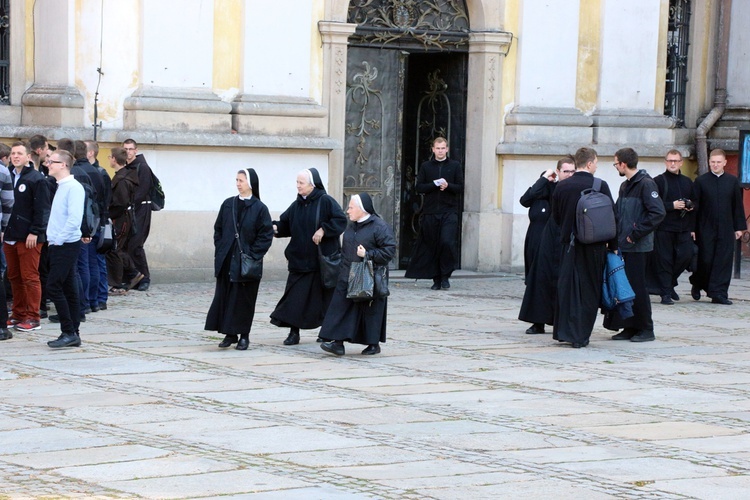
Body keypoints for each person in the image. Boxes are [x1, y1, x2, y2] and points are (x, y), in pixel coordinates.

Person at [270, 168, 347, 345]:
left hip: (321, 262)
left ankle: (326, 332)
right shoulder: (296, 204)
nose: (297, 186)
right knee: (294, 299)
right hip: (299, 261)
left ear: (312, 185)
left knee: (324, 300)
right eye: (297, 182)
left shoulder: (326, 201)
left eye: (301, 183)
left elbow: (340, 220)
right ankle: (293, 332)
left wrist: (324, 229)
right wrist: (275, 228)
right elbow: (285, 224)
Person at [551, 147, 617, 348]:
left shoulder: (562, 186)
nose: (597, 166)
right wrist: (613, 245)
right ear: (589, 164)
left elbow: (556, 217)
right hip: (594, 245)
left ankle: (565, 331)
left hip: (568, 245)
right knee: (590, 289)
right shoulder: (600, 185)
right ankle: (581, 335)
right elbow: (612, 218)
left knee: (567, 288)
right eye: (596, 162)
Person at [320, 193, 396, 356]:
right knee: (339, 308)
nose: (347, 211)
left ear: (362, 209)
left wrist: (368, 254)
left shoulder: (379, 226)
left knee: (369, 312)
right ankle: (337, 343)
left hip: (369, 276)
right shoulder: (351, 226)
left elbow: (389, 250)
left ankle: (373, 344)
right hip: (347, 274)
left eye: (351, 207)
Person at [205, 169, 273, 351]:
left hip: (246, 263)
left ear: (250, 183)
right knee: (226, 297)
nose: (238, 183)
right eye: (236, 180)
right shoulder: (229, 204)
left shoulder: (260, 208)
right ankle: (229, 334)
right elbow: (218, 229)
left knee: (243, 300)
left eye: (241, 180)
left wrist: (252, 254)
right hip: (227, 260)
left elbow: (266, 236)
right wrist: (220, 248)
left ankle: (244, 336)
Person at [606, 148, 665, 342]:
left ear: (623, 164)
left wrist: (635, 233)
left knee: (638, 288)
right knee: (626, 287)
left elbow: (657, 213)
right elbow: (618, 214)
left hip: (638, 246)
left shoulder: (647, 184)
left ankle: (646, 329)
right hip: (625, 245)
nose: (616, 167)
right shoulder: (625, 186)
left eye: (616, 164)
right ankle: (629, 327)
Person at [518, 156, 575, 334]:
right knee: (538, 280)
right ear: (558, 172)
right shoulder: (547, 187)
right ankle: (538, 322)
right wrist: (544, 179)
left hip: (562, 241)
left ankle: (560, 321)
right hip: (540, 240)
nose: (569, 175)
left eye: (572, 171)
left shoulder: (572, 188)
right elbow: (525, 200)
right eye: (566, 171)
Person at [405, 137, 463, 290]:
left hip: (449, 211)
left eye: (443, 148)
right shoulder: (426, 166)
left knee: (446, 242)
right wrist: (434, 184)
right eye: (438, 148)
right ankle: (436, 278)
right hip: (431, 212)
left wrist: (448, 185)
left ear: (447, 149)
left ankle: (446, 275)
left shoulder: (455, 166)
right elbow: (419, 187)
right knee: (433, 245)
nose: (440, 151)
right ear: (433, 149)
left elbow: (460, 187)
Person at [690, 149, 746, 305]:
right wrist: (692, 228)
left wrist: (739, 227)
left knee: (723, 261)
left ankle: (719, 293)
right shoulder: (701, 181)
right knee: (705, 260)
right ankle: (698, 282)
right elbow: (695, 207)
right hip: (705, 227)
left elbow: (737, 206)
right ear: (709, 162)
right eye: (713, 162)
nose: (715, 165)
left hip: (726, 227)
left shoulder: (732, 181)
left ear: (725, 163)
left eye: (718, 162)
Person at [5, 141, 50, 333]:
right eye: (13, 153)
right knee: (14, 276)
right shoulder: (7, 176)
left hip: (29, 236)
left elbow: (42, 208)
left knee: (30, 277)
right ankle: (18, 313)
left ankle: (33, 316)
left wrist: (36, 231)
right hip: (9, 234)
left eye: (19, 153)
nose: (16, 157)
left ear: (28, 157)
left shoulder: (35, 178)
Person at [45, 150, 87, 348]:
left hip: (66, 244)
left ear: (63, 165)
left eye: (52, 161)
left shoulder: (73, 187)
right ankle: (73, 332)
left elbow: (73, 220)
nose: (48, 164)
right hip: (58, 243)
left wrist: (58, 240)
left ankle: (68, 331)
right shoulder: (61, 186)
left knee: (53, 286)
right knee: (69, 288)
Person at [649, 150, 695, 305]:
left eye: (675, 161)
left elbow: (695, 202)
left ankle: (669, 283)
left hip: (684, 227)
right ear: (665, 162)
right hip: (664, 228)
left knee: (686, 256)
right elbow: (653, 205)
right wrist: (672, 205)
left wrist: (690, 206)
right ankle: (665, 293)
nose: (673, 163)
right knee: (665, 260)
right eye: (670, 161)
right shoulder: (658, 181)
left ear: (681, 162)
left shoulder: (688, 181)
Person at [106, 147, 140, 294]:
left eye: (110, 157)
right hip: (121, 217)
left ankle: (120, 282)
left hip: (121, 219)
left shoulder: (123, 179)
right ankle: (133, 274)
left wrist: (109, 214)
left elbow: (120, 203)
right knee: (117, 249)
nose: (109, 160)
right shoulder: (123, 176)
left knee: (116, 249)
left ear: (114, 159)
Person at [123, 139, 154, 291]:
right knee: (127, 243)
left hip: (141, 209)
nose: (128, 152)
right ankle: (134, 276)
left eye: (130, 149)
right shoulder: (126, 167)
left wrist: (129, 204)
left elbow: (142, 190)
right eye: (125, 149)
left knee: (136, 243)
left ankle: (145, 277)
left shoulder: (143, 167)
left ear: (136, 150)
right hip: (129, 210)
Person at [86, 140, 112, 311]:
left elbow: (105, 200)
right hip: (95, 220)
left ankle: (100, 297)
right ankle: (96, 298)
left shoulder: (101, 173)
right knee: (94, 262)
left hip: (98, 222)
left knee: (97, 261)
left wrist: (101, 221)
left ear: (91, 153)